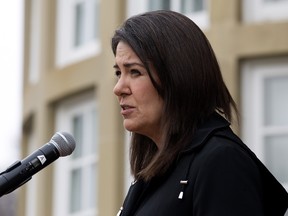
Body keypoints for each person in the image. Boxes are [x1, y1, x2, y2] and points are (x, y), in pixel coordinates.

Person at [111, 10, 288, 216]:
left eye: (135, 72)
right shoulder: (154, 173)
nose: (119, 88)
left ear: (178, 76)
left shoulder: (221, 161)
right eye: (118, 73)